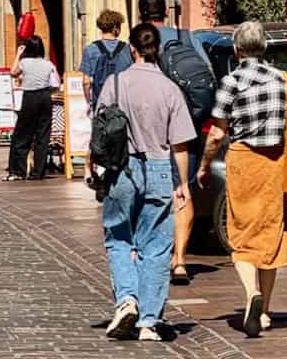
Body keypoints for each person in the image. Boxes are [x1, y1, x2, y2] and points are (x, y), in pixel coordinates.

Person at [197, 20, 287, 339]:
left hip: (243, 159)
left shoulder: (231, 82)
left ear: (236, 50)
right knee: (271, 231)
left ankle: (250, 294)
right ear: (265, 47)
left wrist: (204, 165)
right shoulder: (283, 79)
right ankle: (266, 310)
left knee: (242, 230)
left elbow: (217, 133)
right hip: (275, 162)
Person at [95, 22, 196, 342]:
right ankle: (149, 321)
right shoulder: (170, 88)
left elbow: (100, 130)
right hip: (158, 167)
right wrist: (183, 183)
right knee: (156, 246)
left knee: (119, 237)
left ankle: (127, 299)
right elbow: (180, 144)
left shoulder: (114, 84)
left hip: (122, 168)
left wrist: (90, 167)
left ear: (132, 49)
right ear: (158, 50)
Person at [137, 0, 212, 286]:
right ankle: (179, 259)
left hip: (151, 129)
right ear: (166, 12)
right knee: (182, 189)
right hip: (185, 126)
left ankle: (155, 253)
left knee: (151, 193)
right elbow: (206, 74)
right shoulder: (187, 37)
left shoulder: (139, 39)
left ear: (141, 14)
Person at [5, 36, 60, 182]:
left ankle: (19, 170)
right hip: (45, 97)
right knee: (43, 135)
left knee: (22, 135)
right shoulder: (48, 64)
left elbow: (13, 72)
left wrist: (18, 54)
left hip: (30, 97)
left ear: (27, 48)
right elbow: (56, 84)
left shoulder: (25, 62)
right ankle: (38, 172)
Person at [79, 9, 132, 110]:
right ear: (115, 28)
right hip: (122, 103)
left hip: (100, 102)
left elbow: (86, 82)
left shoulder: (90, 50)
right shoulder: (127, 49)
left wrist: (89, 102)